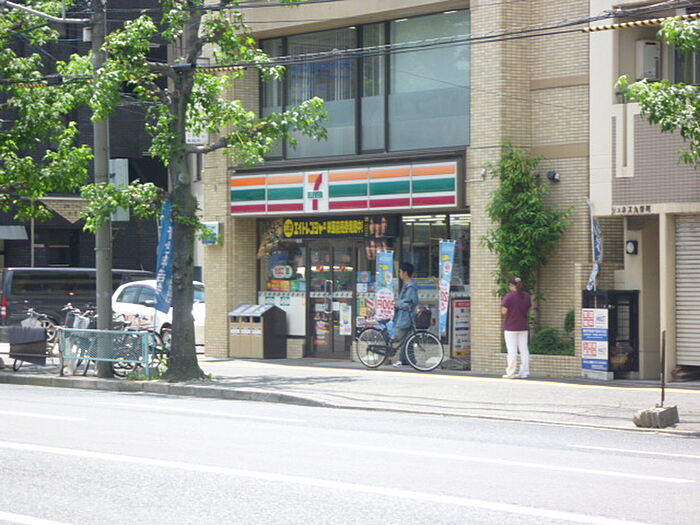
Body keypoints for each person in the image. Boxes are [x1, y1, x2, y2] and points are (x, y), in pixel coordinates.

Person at [501, 276, 532, 379]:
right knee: (524, 349)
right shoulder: (527, 296)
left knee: (512, 350)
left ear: (511, 285)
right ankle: (524, 372)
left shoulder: (509, 296)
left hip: (511, 326)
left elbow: (504, 311)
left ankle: (511, 372)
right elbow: (528, 308)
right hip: (523, 326)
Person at [392, 262, 419, 367]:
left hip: (406, 317)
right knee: (407, 340)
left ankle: (404, 360)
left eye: (400, 271)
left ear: (405, 273)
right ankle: (410, 360)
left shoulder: (410, 287)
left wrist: (397, 303)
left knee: (400, 338)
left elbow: (410, 302)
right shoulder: (407, 285)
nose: (399, 274)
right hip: (404, 316)